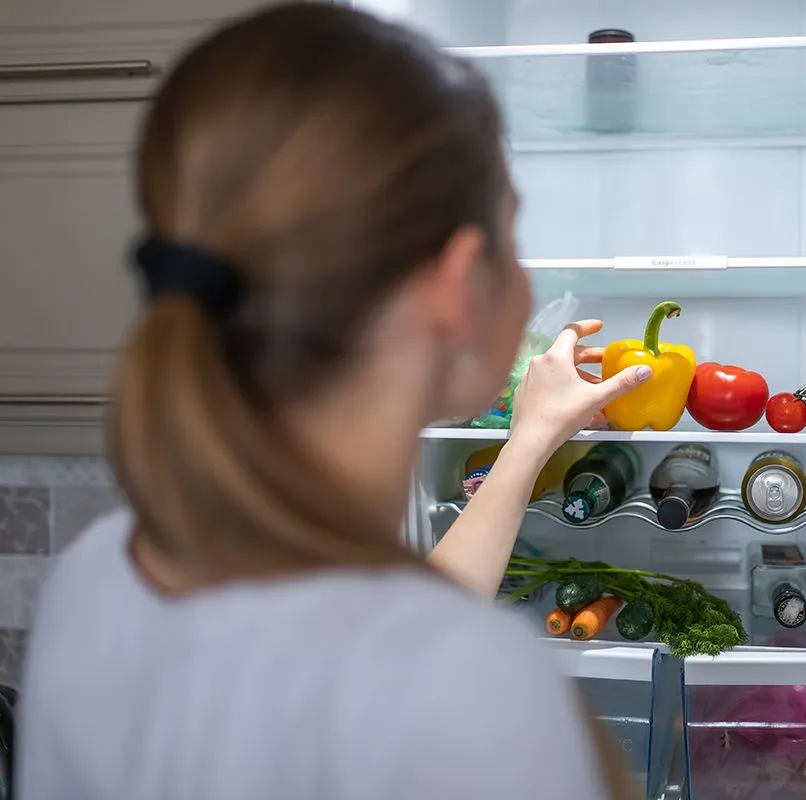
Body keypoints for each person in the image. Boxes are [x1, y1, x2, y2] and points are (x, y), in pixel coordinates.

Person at [17, 5, 654, 799]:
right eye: (511, 232)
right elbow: (406, 654)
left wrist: (528, 444)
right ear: (457, 284)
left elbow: (388, 626)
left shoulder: (97, 577)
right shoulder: (477, 692)